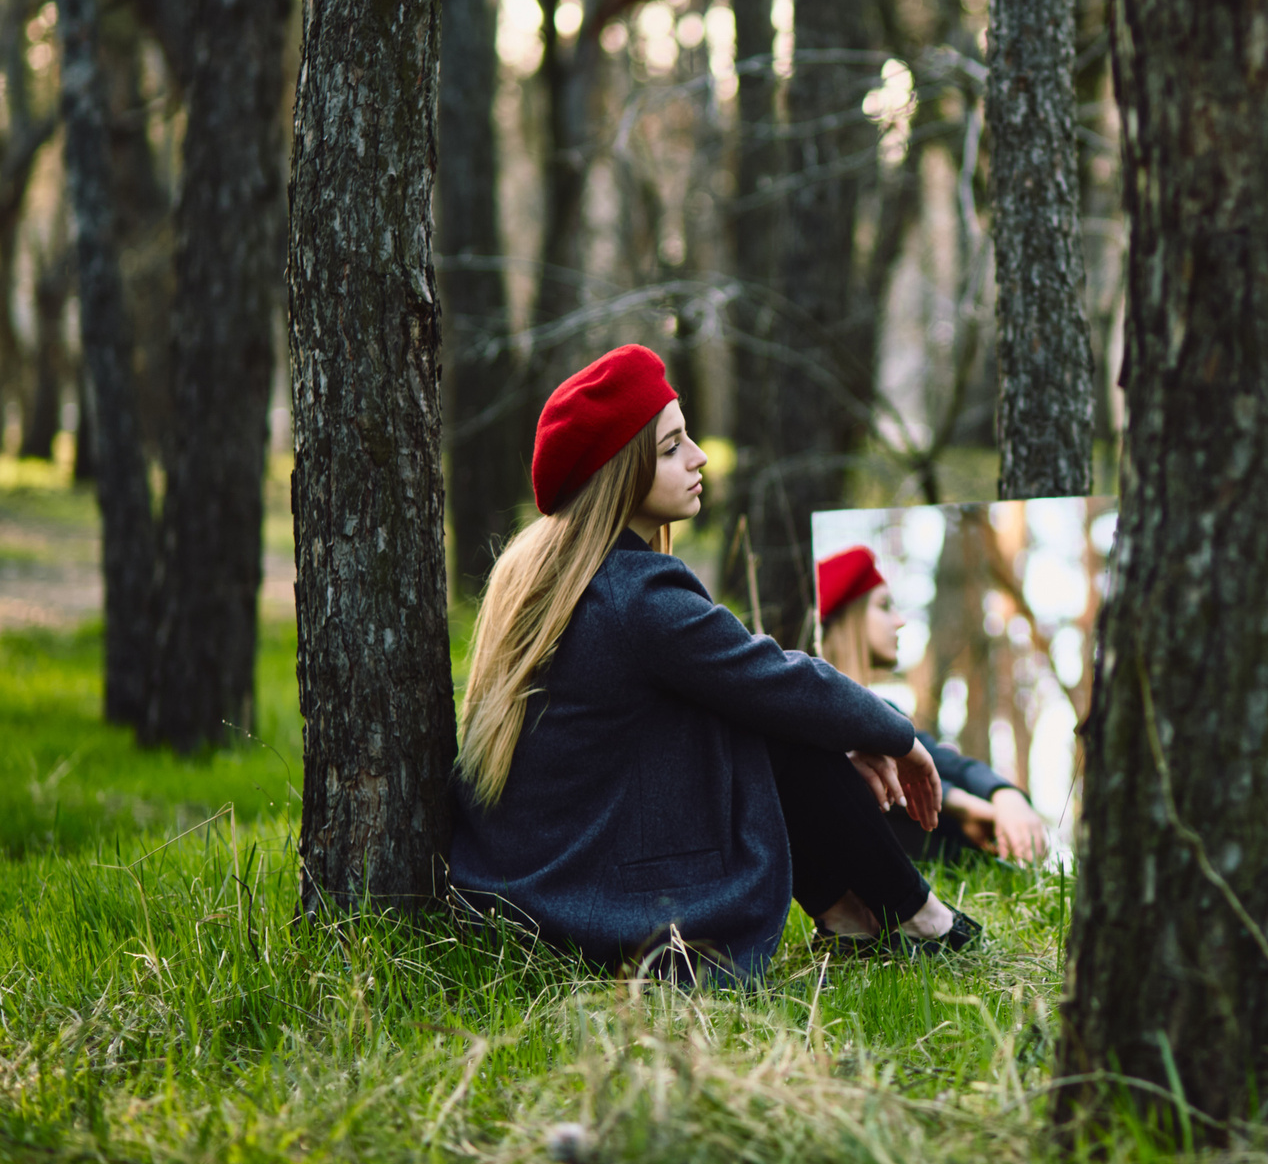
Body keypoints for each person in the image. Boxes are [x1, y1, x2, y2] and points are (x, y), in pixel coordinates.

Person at [448, 345, 981, 979]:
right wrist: (896, 737)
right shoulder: (639, 597)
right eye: (672, 448)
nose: (699, 457)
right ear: (620, 474)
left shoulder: (550, 572)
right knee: (777, 716)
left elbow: (754, 686)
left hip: (519, 887)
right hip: (586, 910)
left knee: (764, 714)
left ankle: (857, 918)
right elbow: (781, 679)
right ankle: (917, 917)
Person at [815, 545, 1052, 866]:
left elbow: (942, 761)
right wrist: (962, 805)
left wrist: (1003, 794)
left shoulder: (886, 709)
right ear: (849, 617)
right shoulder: (811, 707)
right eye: (884, 606)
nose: (899, 621)